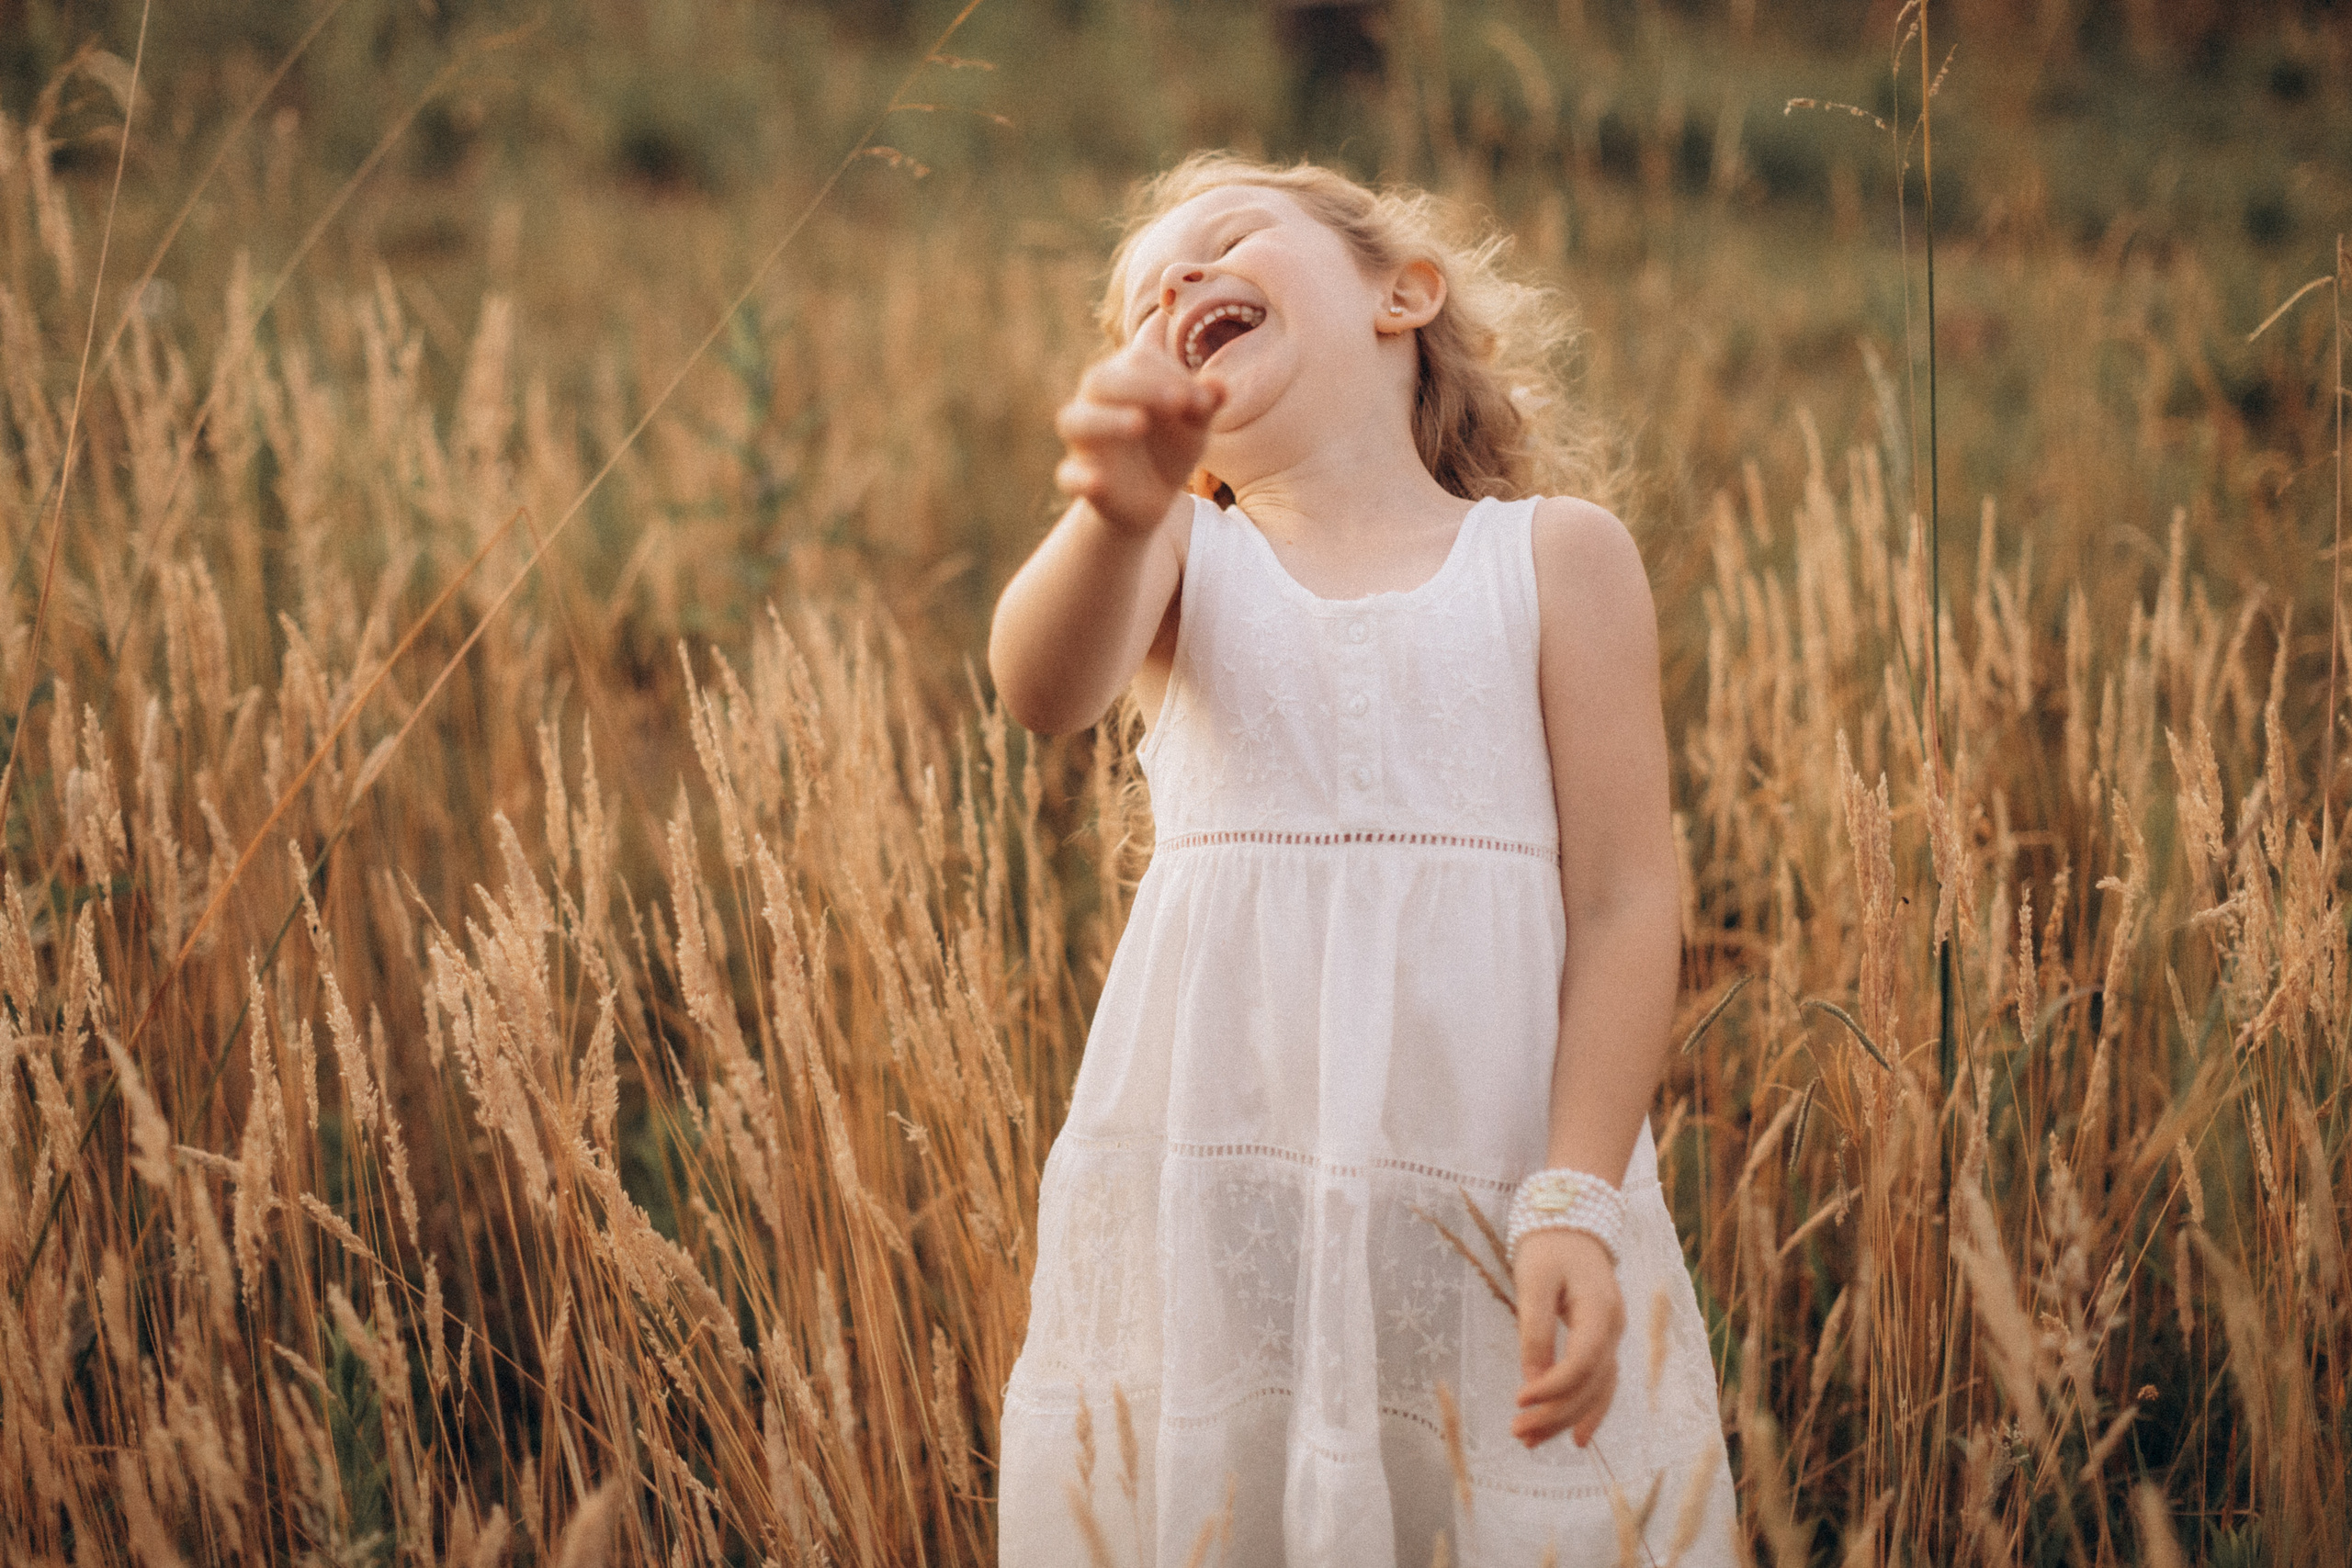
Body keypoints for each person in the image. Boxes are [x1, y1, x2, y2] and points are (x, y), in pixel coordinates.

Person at [988, 153, 1736, 1568]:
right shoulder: (1184, 561)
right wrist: (1117, 505)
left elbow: (1630, 903)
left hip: (1494, 1196)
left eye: (1224, 240)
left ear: (1405, 291)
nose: (1175, 283)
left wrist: (1575, 1199)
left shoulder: (1557, 560)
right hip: (1235, 1212)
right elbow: (1041, 686)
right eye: (1141, 300)